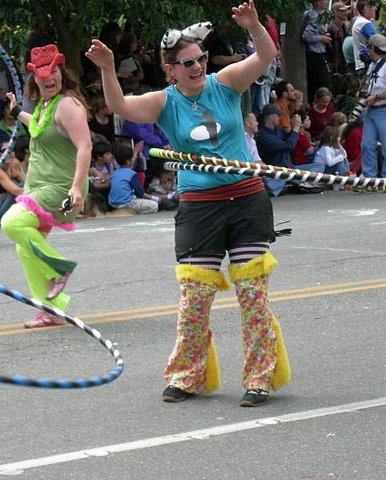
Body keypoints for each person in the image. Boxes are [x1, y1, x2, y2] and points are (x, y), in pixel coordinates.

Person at [87, 0, 291, 407]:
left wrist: (253, 27)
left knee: (252, 295)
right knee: (195, 298)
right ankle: (187, 374)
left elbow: (267, 56)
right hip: (201, 205)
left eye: (199, 59)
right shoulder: (164, 102)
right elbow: (120, 107)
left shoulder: (226, 82)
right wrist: (109, 69)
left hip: (247, 197)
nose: (196, 67)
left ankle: (260, 378)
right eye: (186, 63)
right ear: (170, 69)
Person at [1, 44, 91, 328]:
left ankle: (57, 268)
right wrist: (17, 113)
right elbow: (38, 126)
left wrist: (76, 188)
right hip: (38, 185)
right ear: (34, 79)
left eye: (53, 71)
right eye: (42, 74)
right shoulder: (45, 106)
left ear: (62, 73)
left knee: (11, 223)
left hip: (61, 186)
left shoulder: (67, 104)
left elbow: (85, 146)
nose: (48, 77)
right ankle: (50, 310)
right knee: (24, 246)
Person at [256, 104, 324, 196]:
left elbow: (290, 138)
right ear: (272, 116)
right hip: (277, 170)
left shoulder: (278, 130)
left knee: (319, 166)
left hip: (290, 168)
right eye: (278, 116)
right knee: (281, 177)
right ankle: (298, 183)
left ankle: (297, 182)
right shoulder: (264, 136)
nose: (280, 118)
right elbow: (287, 147)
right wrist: (295, 128)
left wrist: (294, 126)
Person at [359, 33, 386, 180]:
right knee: (366, 145)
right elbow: (371, 86)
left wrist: (375, 97)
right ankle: (369, 178)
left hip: (383, 109)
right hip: (371, 110)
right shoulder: (372, 65)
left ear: (373, 48)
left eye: (369, 47)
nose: (367, 51)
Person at [108, 143, 160, 213]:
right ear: (128, 161)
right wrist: (154, 198)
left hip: (113, 203)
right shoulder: (131, 173)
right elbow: (139, 193)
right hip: (126, 204)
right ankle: (132, 212)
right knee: (154, 205)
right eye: (132, 158)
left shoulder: (114, 173)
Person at [301, 0, 332, 103]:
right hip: (315, 55)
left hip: (318, 54)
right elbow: (306, 35)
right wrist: (320, 38)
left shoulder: (319, 15)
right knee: (320, 86)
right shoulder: (314, 16)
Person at [352, 2, 378, 74]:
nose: (375, 9)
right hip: (366, 64)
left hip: (362, 64)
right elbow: (378, 42)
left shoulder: (360, 21)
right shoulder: (364, 23)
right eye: (373, 6)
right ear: (365, 8)